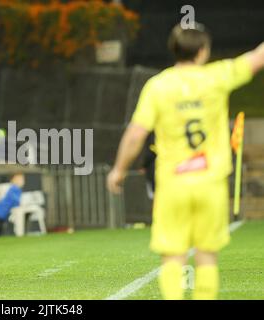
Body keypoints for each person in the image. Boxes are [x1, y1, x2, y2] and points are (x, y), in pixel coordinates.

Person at [107, 23, 264, 300]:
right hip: (210, 182)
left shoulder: (158, 86)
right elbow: (257, 57)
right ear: (203, 51)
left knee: (172, 257)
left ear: (173, 50)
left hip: (173, 184)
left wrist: (119, 170)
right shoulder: (217, 76)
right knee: (206, 256)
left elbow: (135, 134)